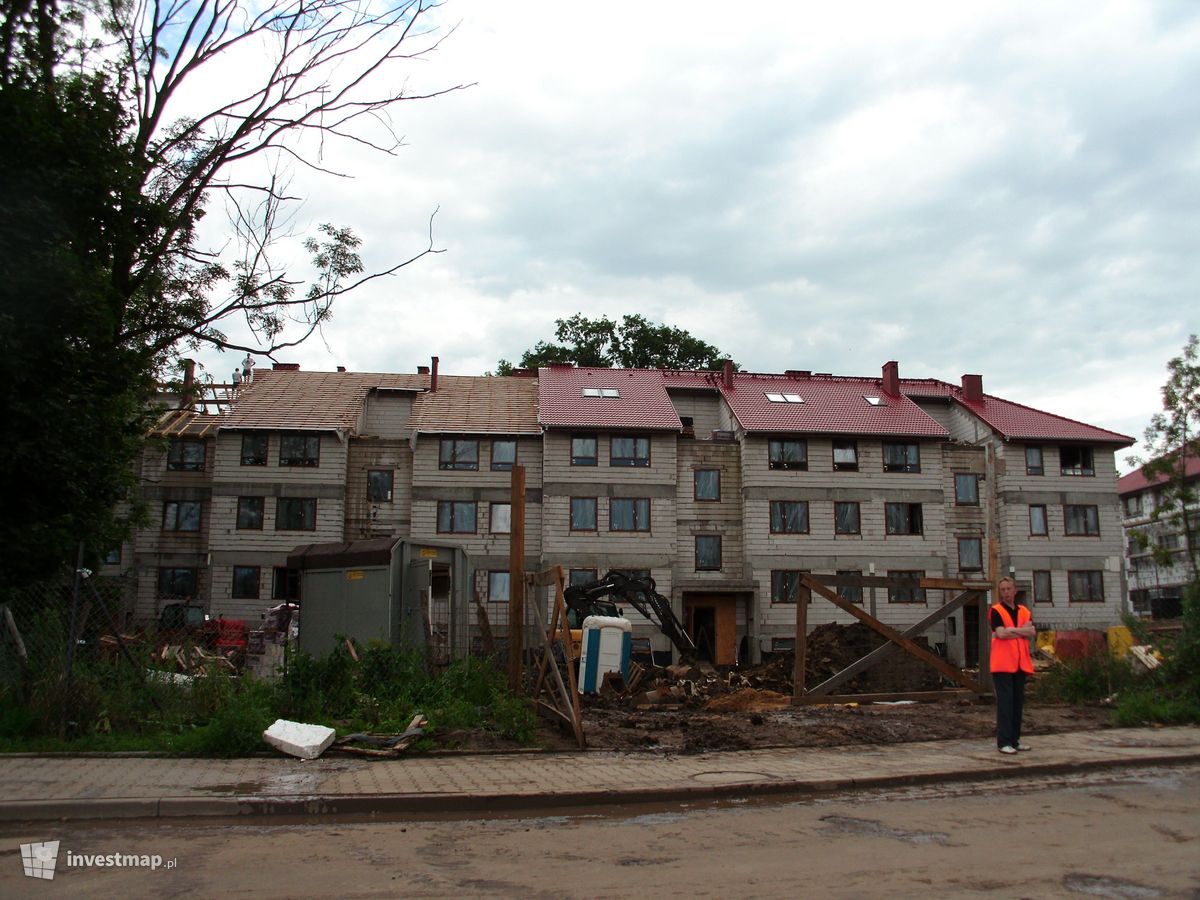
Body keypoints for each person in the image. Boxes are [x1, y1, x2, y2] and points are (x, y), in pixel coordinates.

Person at [990, 576, 1035, 754]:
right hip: (1002, 664)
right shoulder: (996, 611)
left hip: (1020, 664)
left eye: (1009, 589)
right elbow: (1000, 634)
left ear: (1015, 590)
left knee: (1017, 704)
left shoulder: (1024, 611)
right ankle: (1004, 742)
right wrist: (1021, 631)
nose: (1006, 592)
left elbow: (1031, 631)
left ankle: (1015, 740)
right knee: (1005, 704)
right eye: (1003, 590)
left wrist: (1012, 631)